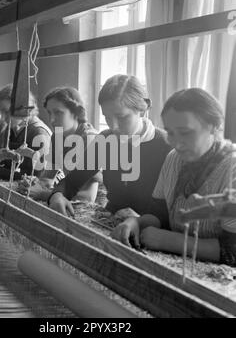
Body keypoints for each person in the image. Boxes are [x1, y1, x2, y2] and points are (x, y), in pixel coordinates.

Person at [112, 88, 236, 266]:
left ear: (214, 126)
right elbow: (158, 214)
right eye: (170, 132)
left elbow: (232, 252)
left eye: (185, 132)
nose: (176, 143)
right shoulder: (174, 159)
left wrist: (169, 240)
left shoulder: (232, 169)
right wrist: (136, 222)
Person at [48, 74, 171, 217]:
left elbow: (172, 210)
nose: (114, 126)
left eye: (122, 117)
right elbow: (72, 181)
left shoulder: (166, 146)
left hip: (149, 230)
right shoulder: (105, 139)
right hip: (110, 222)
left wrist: (142, 220)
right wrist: (57, 195)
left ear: (142, 110)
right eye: (107, 117)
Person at [17, 86, 102, 202]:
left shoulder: (90, 139)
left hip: (99, 210)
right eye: (49, 113)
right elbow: (47, 178)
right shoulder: (57, 137)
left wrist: (43, 194)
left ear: (76, 112)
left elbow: (87, 197)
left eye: (58, 112)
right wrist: (33, 184)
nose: (52, 119)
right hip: (67, 198)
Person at [0, 84, 52, 180]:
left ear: (23, 108)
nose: (3, 118)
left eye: (6, 112)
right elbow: (7, 163)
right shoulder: (11, 129)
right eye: (1, 112)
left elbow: (39, 178)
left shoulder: (39, 133)